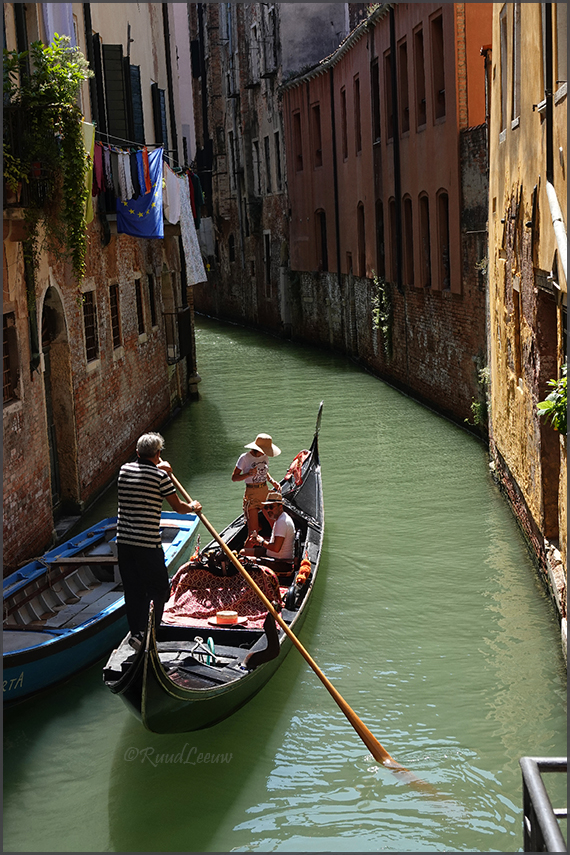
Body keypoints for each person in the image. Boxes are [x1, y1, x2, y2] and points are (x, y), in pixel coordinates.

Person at [116, 432, 202, 649]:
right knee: (160, 588)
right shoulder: (160, 478)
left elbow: (142, 472)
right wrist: (194, 507)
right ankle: (152, 631)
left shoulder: (124, 471)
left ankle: (136, 633)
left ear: (137, 453)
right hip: (148, 545)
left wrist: (158, 467)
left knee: (133, 589)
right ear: (158, 454)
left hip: (124, 543)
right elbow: (178, 507)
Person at [231, 433, 282, 534]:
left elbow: (264, 471)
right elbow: (234, 477)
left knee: (275, 525)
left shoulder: (265, 457)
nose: (265, 453)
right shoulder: (245, 458)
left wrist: (272, 481)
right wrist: (248, 474)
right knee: (253, 532)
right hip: (252, 494)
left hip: (265, 491)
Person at [251, 491, 296, 577]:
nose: (268, 510)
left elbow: (276, 548)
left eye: (271, 507)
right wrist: (259, 541)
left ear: (280, 507)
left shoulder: (281, 522)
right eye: (266, 507)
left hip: (278, 562)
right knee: (243, 551)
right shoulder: (282, 518)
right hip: (275, 556)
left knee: (241, 559)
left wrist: (261, 542)